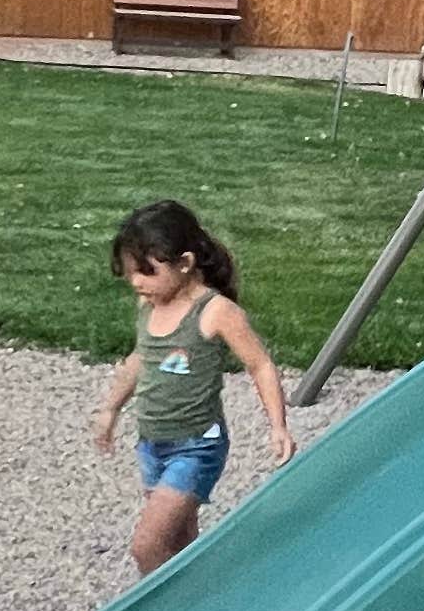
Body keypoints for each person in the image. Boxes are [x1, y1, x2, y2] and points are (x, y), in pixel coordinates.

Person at [91, 200, 292, 573]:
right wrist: (111, 408)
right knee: (179, 542)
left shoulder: (215, 312)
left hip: (197, 446)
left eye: (147, 272)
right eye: (131, 272)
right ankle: (199, 599)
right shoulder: (151, 305)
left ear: (184, 263)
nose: (136, 282)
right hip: (152, 444)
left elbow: (260, 364)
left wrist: (278, 426)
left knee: (147, 546)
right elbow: (141, 358)